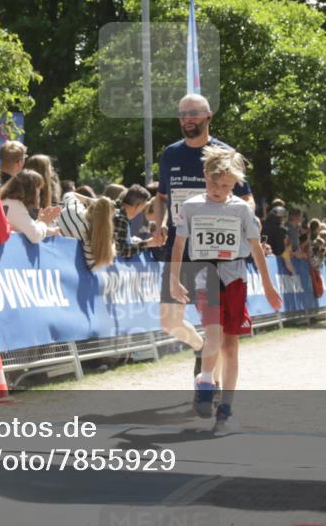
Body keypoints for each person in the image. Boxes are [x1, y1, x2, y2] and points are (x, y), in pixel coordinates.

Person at [169, 146, 281, 424]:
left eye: (227, 186)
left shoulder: (241, 209)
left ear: (235, 185)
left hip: (235, 278)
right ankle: (207, 382)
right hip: (206, 277)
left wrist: (268, 285)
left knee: (230, 346)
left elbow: (256, 248)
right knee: (214, 335)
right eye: (215, 184)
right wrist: (173, 279)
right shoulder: (191, 206)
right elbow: (179, 245)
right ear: (205, 176)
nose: (219, 190)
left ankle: (226, 405)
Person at [152, 94, 253, 372]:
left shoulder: (225, 154)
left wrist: (243, 220)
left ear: (208, 116)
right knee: (169, 321)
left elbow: (247, 199)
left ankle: (212, 383)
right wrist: (160, 223)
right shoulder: (170, 154)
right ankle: (199, 347)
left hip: (215, 255)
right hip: (180, 250)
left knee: (216, 328)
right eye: (183, 114)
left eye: (194, 113)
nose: (187, 119)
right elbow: (161, 197)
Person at [57, 192, 116, 270]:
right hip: (65, 266)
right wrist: (111, 246)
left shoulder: (75, 207)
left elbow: (68, 194)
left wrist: (90, 200)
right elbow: (92, 266)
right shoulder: (90, 234)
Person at [0, 169, 61, 243]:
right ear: (31, 190)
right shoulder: (16, 205)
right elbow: (35, 236)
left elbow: (27, 229)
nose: (39, 193)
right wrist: (44, 222)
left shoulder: (8, 202)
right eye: (38, 189)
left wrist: (40, 222)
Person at [113, 184, 161, 259]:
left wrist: (133, 241)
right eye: (142, 208)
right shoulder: (120, 218)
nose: (140, 212)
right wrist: (148, 243)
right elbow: (122, 251)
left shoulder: (116, 210)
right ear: (138, 206)